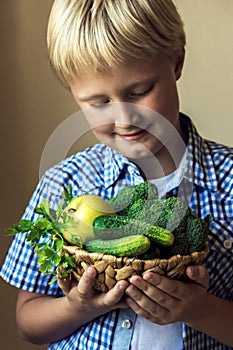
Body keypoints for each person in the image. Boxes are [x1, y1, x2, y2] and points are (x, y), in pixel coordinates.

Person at [1, 0, 233, 349]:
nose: (124, 119)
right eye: (98, 103)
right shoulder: (62, 183)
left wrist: (199, 310)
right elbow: (28, 322)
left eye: (139, 92)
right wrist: (77, 308)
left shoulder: (228, 181)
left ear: (177, 61)